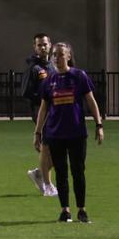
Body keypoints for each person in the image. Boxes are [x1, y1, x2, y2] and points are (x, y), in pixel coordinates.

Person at [34, 42, 104, 224]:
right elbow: (43, 108)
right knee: (61, 173)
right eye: (54, 55)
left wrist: (99, 124)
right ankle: (65, 210)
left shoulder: (79, 76)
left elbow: (91, 100)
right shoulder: (49, 80)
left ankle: (82, 209)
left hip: (76, 133)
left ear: (68, 56)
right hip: (55, 134)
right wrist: (38, 133)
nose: (56, 58)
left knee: (78, 171)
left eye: (60, 54)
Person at [21, 33, 56, 196]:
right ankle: (47, 184)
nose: (43, 47)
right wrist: (43, 98)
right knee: (48, 147)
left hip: (56, 112)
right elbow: (25, 92)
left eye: (45, 44)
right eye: (39, 45)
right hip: (41, 111)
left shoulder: (53, 66)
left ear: (50, 45)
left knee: (57, 149)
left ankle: (39, 174)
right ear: (35, 48)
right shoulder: (34, 68)